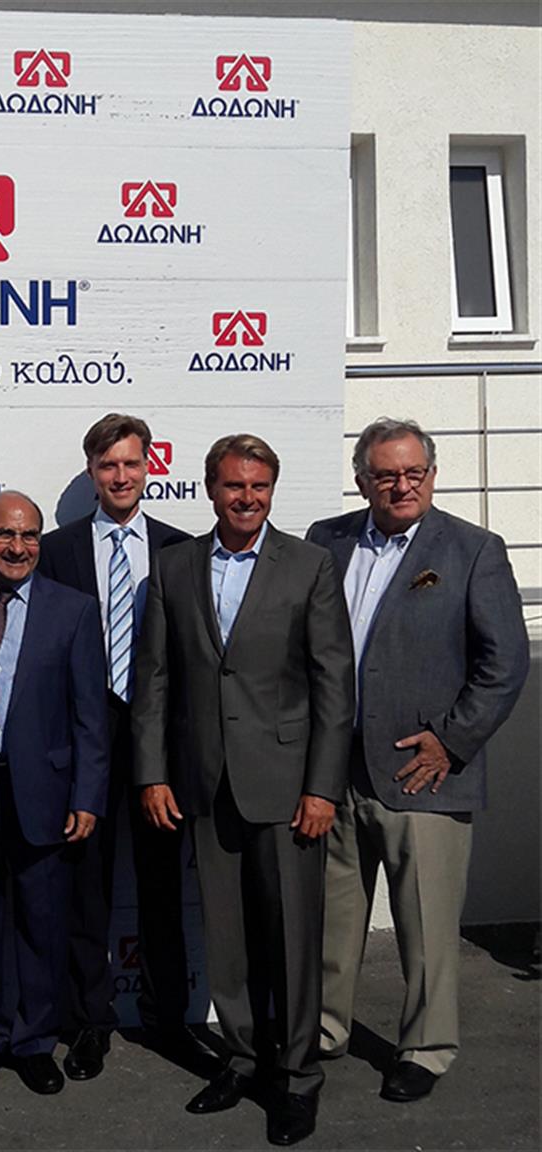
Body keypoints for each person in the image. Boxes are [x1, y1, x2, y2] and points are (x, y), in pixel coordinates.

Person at [132, 433, 354, 1147]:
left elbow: (334, 686)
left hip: (289, 790)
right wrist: (153, 772)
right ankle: (242, 1057)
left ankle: (297, 1077)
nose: (247, 498)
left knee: (291, 940)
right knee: (226, 942)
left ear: (272, 490)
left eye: (258, 486)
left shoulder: (310, 566)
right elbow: (153, 680)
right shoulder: (173, 567)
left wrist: (322, 787)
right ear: (210, 489)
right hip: (204, 783)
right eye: (234, 485)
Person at [309, 417, 529, 1103]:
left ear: (432, 475)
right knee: (330, 921)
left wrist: (451, 741)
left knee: (427, 929)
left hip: (423, 771)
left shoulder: (473, 550)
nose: (401, 485)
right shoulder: (326, 540)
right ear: (362, 481)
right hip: (336, 770)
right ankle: (323, 1030)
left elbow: (504, 664)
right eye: (386, 475)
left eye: (414, 473)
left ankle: (425, 1050)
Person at [37, 413, 195, 1079]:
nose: (121, 476)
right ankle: (88, 1022)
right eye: (108, 465)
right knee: (86, 892)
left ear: (149, 466)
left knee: (162, 889)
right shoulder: (57, 550)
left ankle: (168, 1020)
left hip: (160, 747)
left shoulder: (182, 549)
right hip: (84, 744)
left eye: (131, 463)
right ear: (92, 471)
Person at [0, 491, 109, 1097]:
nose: (17, 547)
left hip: (43, 789)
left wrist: (87, 796)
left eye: (28, 536)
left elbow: (90, 715)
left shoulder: (73, 610)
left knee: (41, 922)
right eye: (4, 534)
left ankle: (34, 1040)